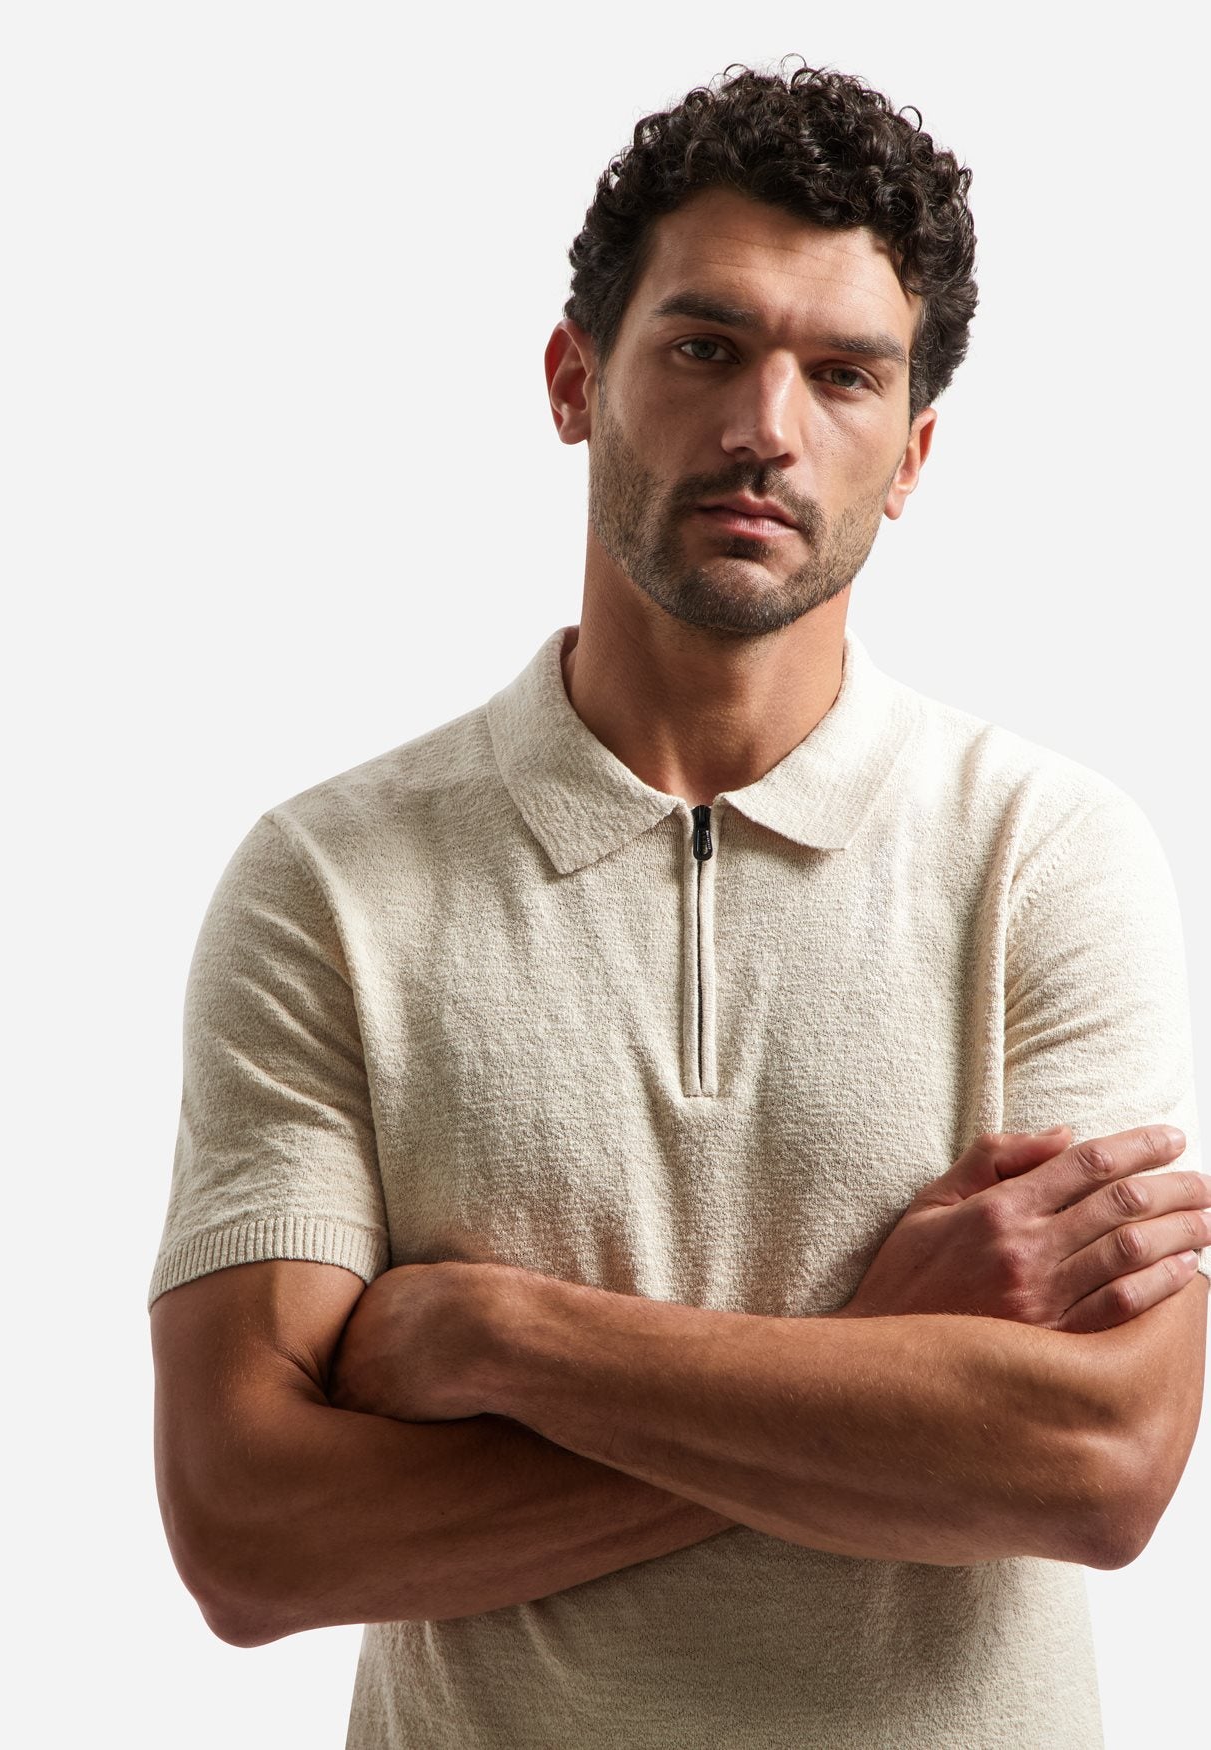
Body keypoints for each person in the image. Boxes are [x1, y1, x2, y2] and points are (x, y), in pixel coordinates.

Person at [149, 63, 1209, 1749]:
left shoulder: (1050, 858)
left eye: (845, 374)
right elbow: (249, 1532)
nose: (767, 428)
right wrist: (883, 1360)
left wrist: (503, 1333)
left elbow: (1096, 1462)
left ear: (914, 451)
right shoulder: (330, 884)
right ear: (575, 379)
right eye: (707, 346)